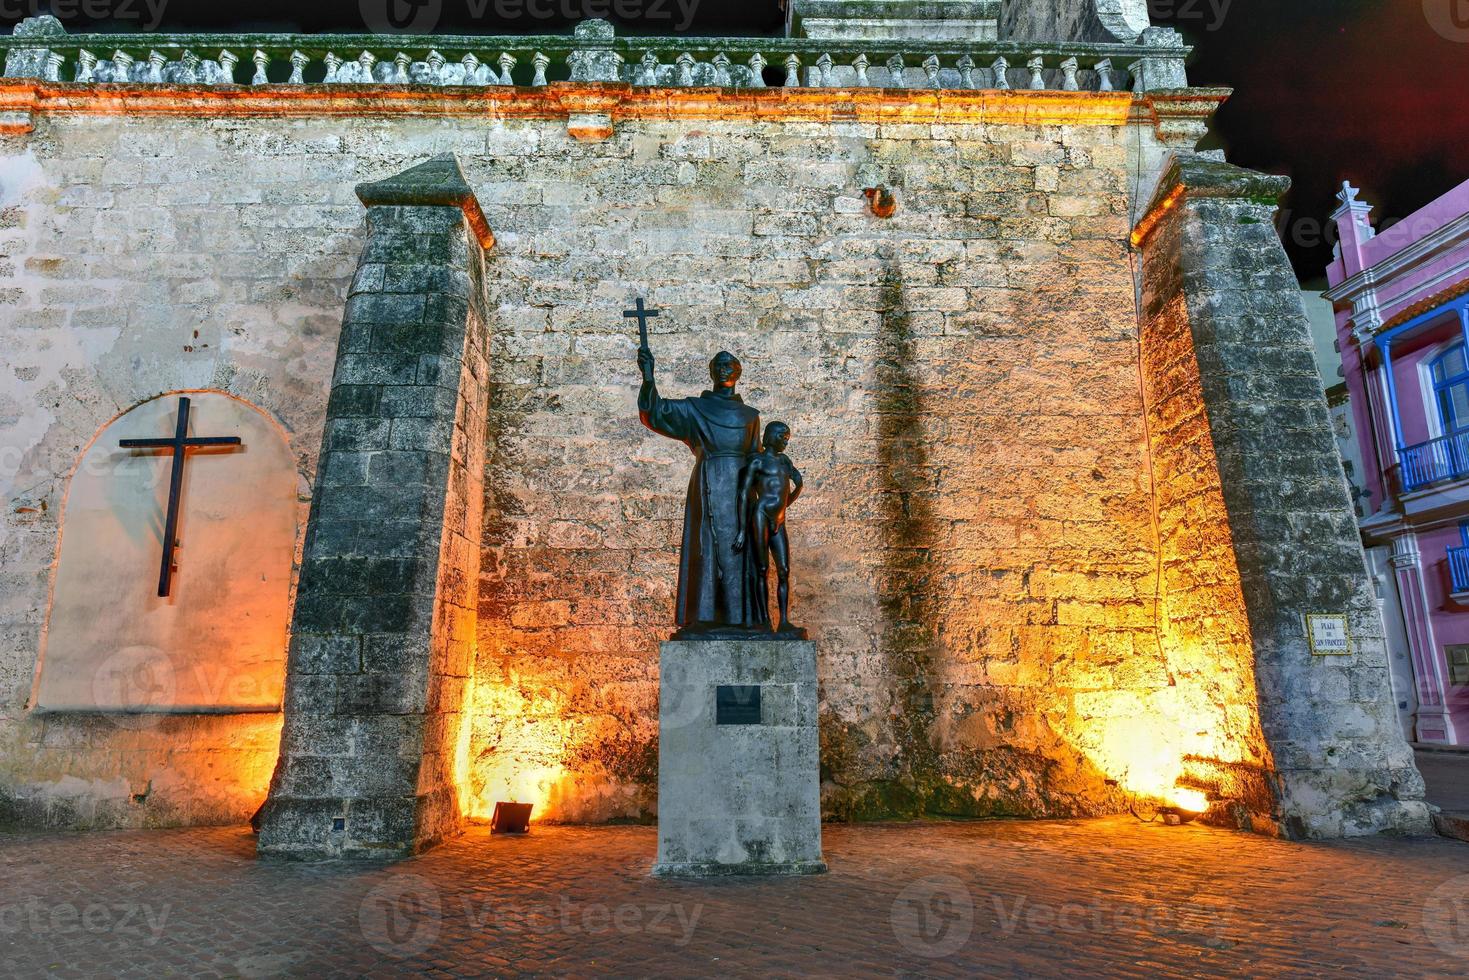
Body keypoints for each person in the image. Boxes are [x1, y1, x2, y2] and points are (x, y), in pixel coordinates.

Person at [638, 347, 767, 635]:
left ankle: (741, 618)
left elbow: (757, 457)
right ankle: (705, 616)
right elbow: (655, 413)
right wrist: (648, 377)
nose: (724, 369)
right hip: (708, 482)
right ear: (711, 372)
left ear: (738, 373)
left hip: (739, 491)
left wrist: (770, 500)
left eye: (730, 365)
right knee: (705, 547)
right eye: (719, 365)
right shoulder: (695, 409)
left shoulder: (750, 416)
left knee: (740, 550)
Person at [734, 421, 804, 637]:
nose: (785, 441)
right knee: (762, 569)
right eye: (783, 436)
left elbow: (793, 486)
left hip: (778, 519)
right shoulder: (757, 461)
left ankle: (783, 621)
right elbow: (744, 494)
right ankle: (764, 619)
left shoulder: (785, 461)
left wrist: (789, 500)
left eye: (787, 437)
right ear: (771, 435)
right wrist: (742, 530)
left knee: (784, 570)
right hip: (761, 515)